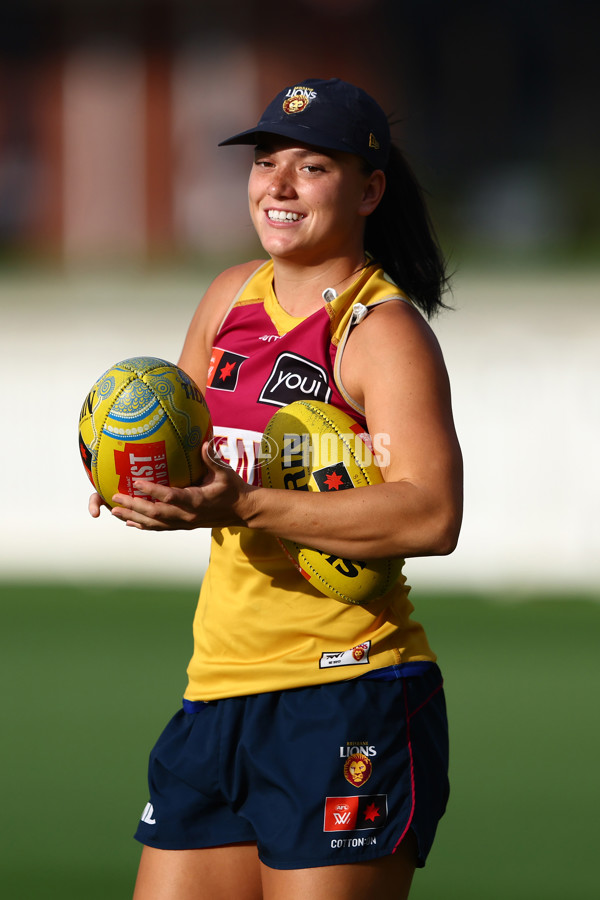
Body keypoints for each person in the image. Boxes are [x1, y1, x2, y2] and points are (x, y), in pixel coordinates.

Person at [89, 77, 463, 900]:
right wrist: (137, 482)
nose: (278, 185)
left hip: (348, 694)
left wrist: (246, 504)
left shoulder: (382, 331)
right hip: (218, 691)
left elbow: (433, 514)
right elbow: (188, 457)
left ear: (369, 190)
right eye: (266, 163)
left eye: (312, 167)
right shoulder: (227, 298)